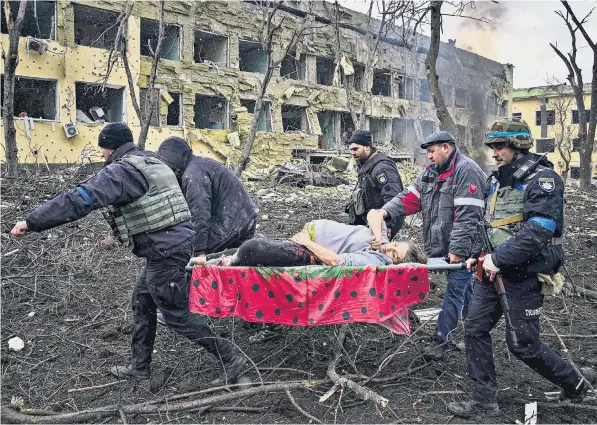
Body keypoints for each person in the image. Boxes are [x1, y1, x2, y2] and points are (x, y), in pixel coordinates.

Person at [10, 123, 246, 386]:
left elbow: (80, 199)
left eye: (102, 150)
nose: (101, 155)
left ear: (110, 148)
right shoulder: (150, 160)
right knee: (142, 300)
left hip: (166, 249)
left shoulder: (122, 172)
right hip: (173, 244)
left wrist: (32, 222)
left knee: (175, 313)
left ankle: (231, 357)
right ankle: (139, 367)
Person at [447, 118, 596, 417]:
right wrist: (480, 256)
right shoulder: (498, 180)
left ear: (518, 147)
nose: (494, 152)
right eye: (493, 147)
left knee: (523, 345)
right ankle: (484, 399)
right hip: (491, 273)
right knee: (474, 328)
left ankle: (577, 385)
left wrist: (498, 259)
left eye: (500, 146)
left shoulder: (543, 180)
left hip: (524, 275)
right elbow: (492, 227)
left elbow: (539, 229)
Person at [368, 130, 487, 360]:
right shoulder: (430, 173)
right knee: (466, 288)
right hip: (444, 245)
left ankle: (442, 339)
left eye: (432, 152)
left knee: (455, 290)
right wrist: (384, 212)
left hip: (467, 246)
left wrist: (458, 251)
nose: (429, 157)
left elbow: (468, 216)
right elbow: (408, 198)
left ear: (446, 148)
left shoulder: (466, 171)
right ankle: (477, 329)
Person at [157, 136, 259, 264]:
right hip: (243, 218)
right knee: (233, 266)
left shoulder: (193, 176)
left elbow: (199, 217)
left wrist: (198, 255)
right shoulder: (198, 165)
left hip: (232, 223)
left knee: (192, 258)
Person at [202, 218, 427, 268]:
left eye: (395, 255)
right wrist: (378, 235)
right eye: (396, 245)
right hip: (306, 240)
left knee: (252, 248)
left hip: (308, 251)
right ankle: (204, 259)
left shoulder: (373, 261)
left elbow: (334, 260)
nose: (390, 249)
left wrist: (307, 242)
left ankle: (219, 264)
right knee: (250, 246)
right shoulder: (383, 242)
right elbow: (375, 213)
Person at [345, 130, 404, 238]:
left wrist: (386, 230)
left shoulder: (382, 168)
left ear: (367, 147)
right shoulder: (365, 164)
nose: (352, 153)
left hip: (381, 224)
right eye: (350, 150)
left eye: (355, 149)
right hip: (369, 222)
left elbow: (394, 200)